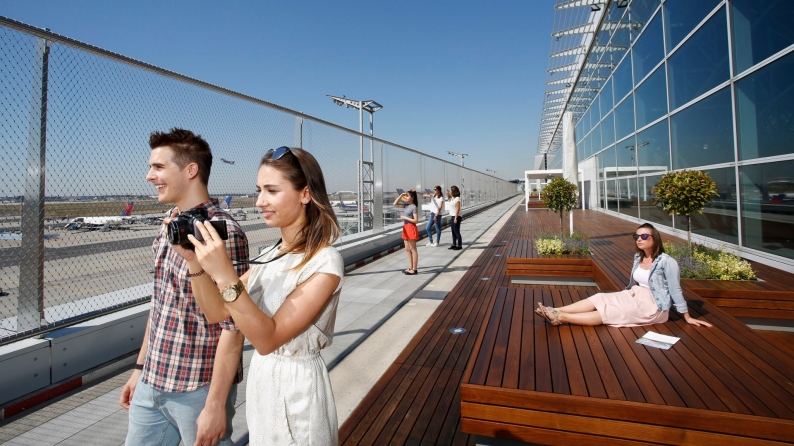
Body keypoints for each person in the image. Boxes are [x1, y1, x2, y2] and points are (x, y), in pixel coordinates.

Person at [180, 146, 345, 445]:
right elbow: (216, 312)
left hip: (297, 388)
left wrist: (225, 274)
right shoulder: (271, 255)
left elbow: (268, 339)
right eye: (259, 190)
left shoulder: (325, 262)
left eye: (272, 190)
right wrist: (194, 262)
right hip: (264, 384)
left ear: (305, 194)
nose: (260, 201)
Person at [120, 128, 249, 446]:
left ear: (191, 170)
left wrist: (215, 404)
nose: (149, 176)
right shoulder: (171, 224)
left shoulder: (224, 232)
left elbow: (234, 325)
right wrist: (140, 369)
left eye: (158, 167)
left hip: (198, 387)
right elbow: (160, 304)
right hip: (153, 380)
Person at [536, 223, 713, 328]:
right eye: (637, 236)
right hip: (634, 294)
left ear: (655, 239)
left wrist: (687, 317)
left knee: (610, 312)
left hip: (653, 306)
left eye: (645, 236)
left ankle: (560, 318)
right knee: (600, 298)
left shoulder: (667, 262)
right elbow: (635, 284)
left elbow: (675, 289)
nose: (639, 239)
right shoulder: (638, 257)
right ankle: (556, 309)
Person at [394, 189, 419, 275]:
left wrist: (405, 218)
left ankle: (414, 269)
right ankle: (410, 267)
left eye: (407, 196)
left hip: (411, 227)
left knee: (413, 249)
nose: (406, 197)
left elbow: (416, 220)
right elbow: (395, 204)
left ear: (412, 197)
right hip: (405, 227)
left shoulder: (414, 207)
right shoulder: (407, 206)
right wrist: (401, 195)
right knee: (407, 249)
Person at [448, 185, 462, 251]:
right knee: (453, 231)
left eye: (451, 190)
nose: (450, 191)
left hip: (457, 216)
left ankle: (459, 245)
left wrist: (455, 218)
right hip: (452, 216)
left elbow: (458, 209)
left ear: (454, 191)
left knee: (456, 231)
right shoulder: (452, 198)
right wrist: (448, 194)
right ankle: (454, 244)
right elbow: (449, 198)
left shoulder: (457, 199)